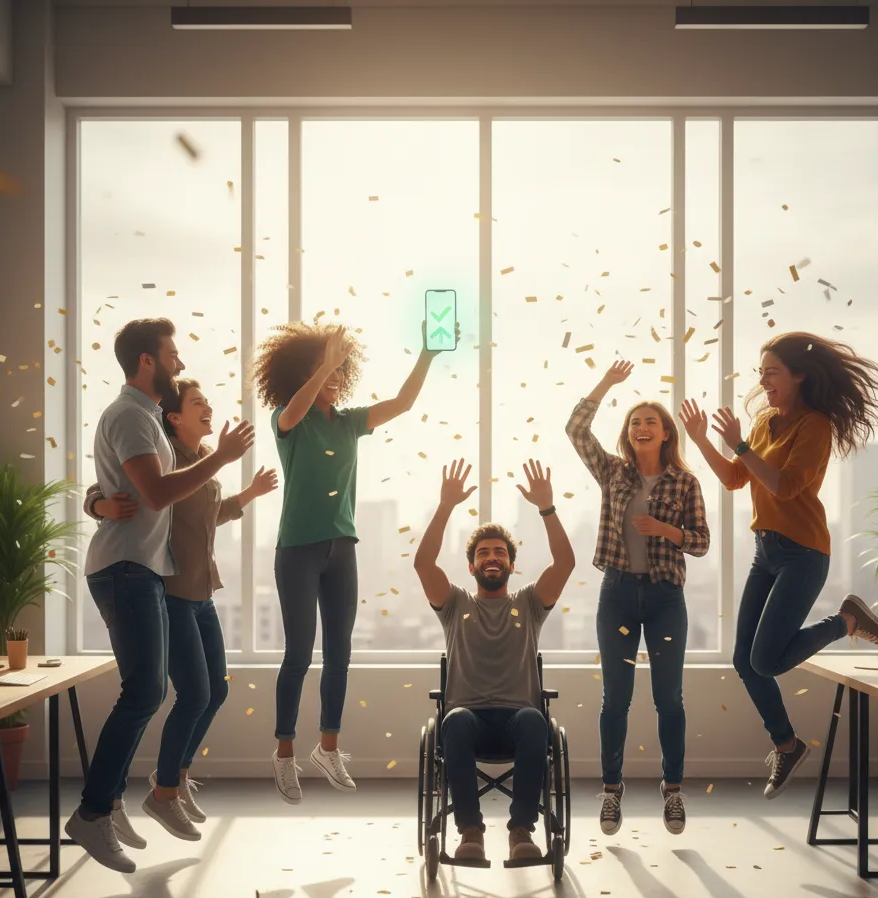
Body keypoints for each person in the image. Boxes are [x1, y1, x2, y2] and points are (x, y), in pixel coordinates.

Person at [65, 319, 253, 873]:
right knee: (146, 692)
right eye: (171, 353)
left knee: (151, 691)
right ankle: (95, 812)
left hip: (143, 570)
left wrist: (98, 500)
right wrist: (218, 458)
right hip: (124, 570)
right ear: (147, 361)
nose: (177, 360)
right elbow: (153, 493)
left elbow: (142, 490)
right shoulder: (129, 414)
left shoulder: (145, 416)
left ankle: (109, 803)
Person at [679, 331, 878, 799]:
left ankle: (848, 621)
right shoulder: (763, 423)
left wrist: (739, 446)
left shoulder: (815, 426)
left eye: (771, 372)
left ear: (799, 375)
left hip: (804, 553)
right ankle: (788, 744)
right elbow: (738, 479)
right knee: (745, 661)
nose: (763, 380)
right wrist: (703, 441)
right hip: (766, 551)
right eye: (761, 372)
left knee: (765, 660)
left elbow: (785, 486)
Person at [252, 320, 450, 803]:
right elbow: (295, 408)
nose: (337, 377)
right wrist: (324, 366)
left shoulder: (348, 422)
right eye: (325, 369)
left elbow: (402, 404)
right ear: (306, 372)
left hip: (342, 548)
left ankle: (328, 747)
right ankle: (283, 753)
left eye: (340, 369)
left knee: (339, 652)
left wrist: (427, 352)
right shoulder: (289, 418)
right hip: (297, 549)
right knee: (299, 654)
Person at [84, 377, 278, 842]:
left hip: (201, 591)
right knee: (188, 694)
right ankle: (163, 791)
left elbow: (206, 515)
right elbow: (108, 484)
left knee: (215, 692)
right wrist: (97, 504)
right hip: (168, 591)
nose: (208, 406)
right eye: (197, 402)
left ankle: (173, 776)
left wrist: (248, 496)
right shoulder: (164, 452)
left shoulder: (196, 463)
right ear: (174, 417)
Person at [566, 360, 710, 838]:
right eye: (634, 422)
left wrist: (666, 529)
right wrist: (607, 383)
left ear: (667, 433)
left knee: (669, 698)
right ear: (628, 435)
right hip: (619, 593)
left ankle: (672, 790)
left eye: (651, 421)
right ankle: (612, 792)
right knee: (616, 700)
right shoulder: (613, 472)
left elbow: (702, 541)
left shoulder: (685, 483)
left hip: (667, 596)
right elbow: (576, 428)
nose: (642, 427)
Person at [413, 457, 575, 862]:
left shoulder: (529, 604)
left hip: (519, 722)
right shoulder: (454, 604)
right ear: (471, 566)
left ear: (511, 566)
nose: (492, 557)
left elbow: (566, 564)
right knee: (455, 719)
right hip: (467, 723)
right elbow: (423, 564)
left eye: (499, 553)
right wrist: (447, 504)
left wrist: (547, 507)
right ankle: (471, 832)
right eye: (483, 553)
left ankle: (521, 831)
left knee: (534, 719)